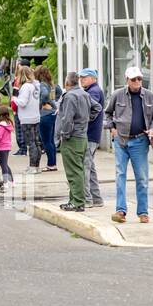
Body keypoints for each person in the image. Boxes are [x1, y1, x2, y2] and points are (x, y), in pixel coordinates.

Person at [104, 66, 153, 224]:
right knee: (120, 175)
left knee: (142, 178)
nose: (137, 82)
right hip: (121, 140)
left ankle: (143, 212)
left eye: (139, 79)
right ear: (127, 80)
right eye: (133, 79)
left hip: (140, 141)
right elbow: (107, 113)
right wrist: (112, 128)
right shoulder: (118, 95)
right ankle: (120, 211)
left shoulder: (150, 97)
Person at [55, 72, 98, 212]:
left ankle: (78, 202)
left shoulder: (70, 96)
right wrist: (86, 120)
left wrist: (65, 134)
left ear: (67, 83)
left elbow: (67, 119)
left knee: (73, 172)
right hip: (83, 137)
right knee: (78, 169)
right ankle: (73, 200)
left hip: (72, 138)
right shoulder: (84, 94)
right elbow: (97, 107)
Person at [79, 68, 105, 208]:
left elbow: (89, 109)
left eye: (85, 77)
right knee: (91, 168)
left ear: (93, 78)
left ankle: (87, 199)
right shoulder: (91, 90)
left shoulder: (93, 91)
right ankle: (96, 198)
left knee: (85, 167)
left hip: (89, 135)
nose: (81, 79)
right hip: (92, 135)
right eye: (80, 77)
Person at [12, 65, 43, 172]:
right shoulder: (36, 85)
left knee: (31, 143)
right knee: (36, 142)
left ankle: (32, 167)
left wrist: (14, 98)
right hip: (35, 116)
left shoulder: (25, 87)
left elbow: (23, 102)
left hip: (27, 118)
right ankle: (37, 166)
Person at [35, 66, 60, 172]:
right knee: (51, 141)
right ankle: (53, 163)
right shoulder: (52, 84)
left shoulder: (42, 85)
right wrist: (54, 102)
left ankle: (51, 164)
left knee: (46, 142)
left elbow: (44, 95)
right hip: (53, 113)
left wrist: (42, 104)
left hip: (45, 114)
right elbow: (59, 92)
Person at [0, 105, 14, 191]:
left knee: (3, 165)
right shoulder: (8, 124)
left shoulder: (1, 126)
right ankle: (11, 181)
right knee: (5, 164)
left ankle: (5, 183)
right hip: (7, 147)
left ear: (0, 115)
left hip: (1, 147)